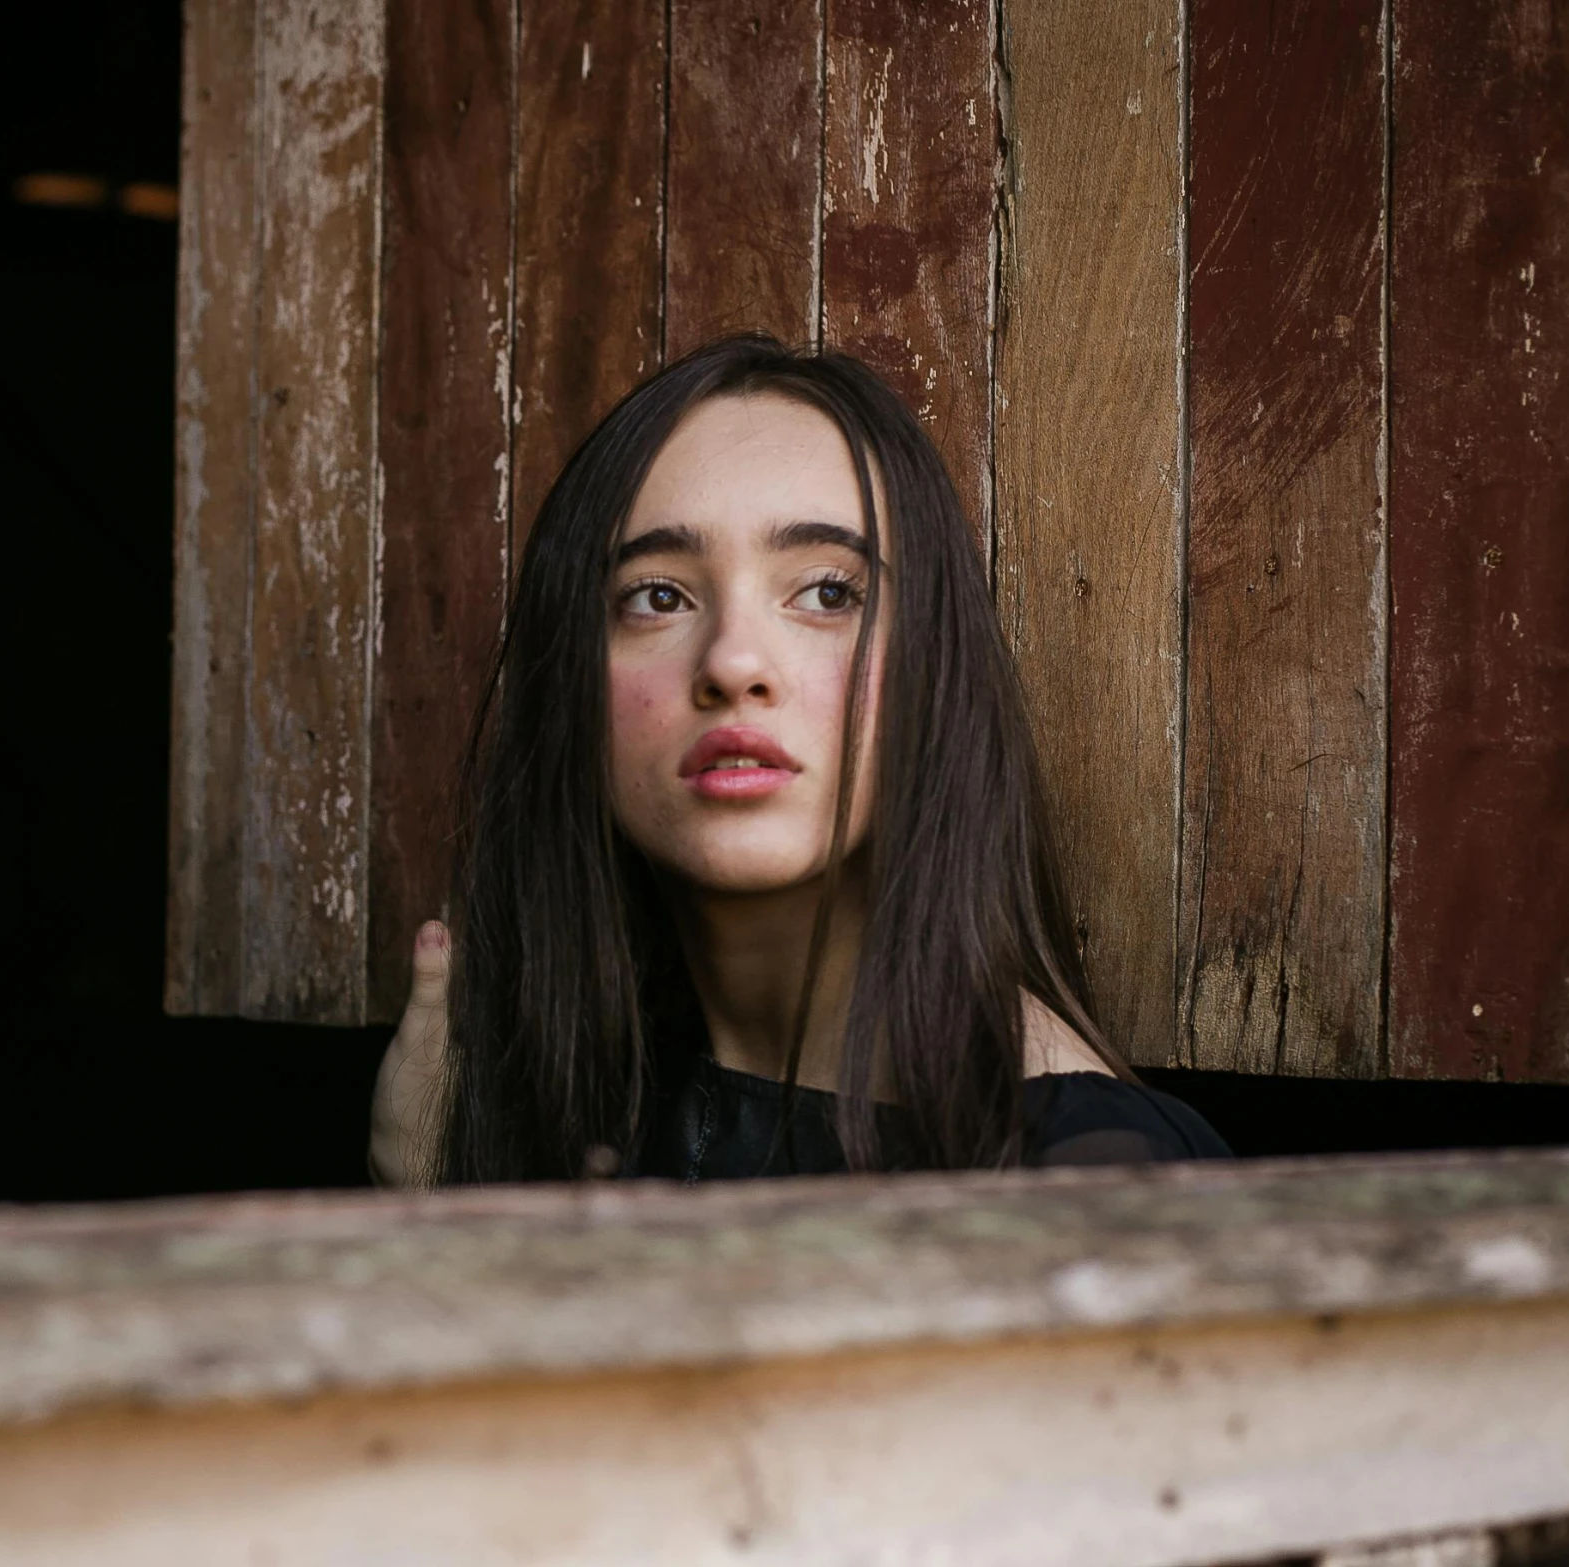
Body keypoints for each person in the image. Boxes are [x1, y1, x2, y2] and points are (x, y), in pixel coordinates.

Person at [369, 335, 1228, 1188]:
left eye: (827, 593)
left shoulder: (1094, 1167)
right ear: (570, 684)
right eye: (657, 596)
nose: (734, 662)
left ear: (937, 666)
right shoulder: (576, 1098)